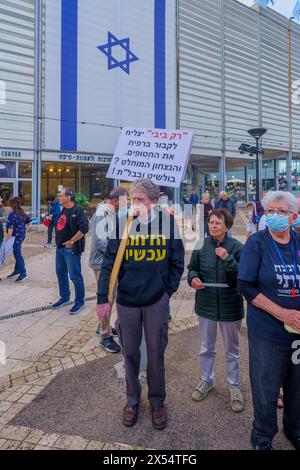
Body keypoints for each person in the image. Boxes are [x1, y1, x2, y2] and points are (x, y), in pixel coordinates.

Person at [97, 179, 184, 430]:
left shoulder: (167, 223)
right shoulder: (122, 223)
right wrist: (103, 297)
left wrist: (167, 291)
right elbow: (109, 264)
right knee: (130, 353)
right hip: (127, 301)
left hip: (156, 300)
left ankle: (157, 402)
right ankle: (132, 401)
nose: (135, 204)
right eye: (133, 199)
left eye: (141, 199)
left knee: (156, 353)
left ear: (155, 202)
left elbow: (177, 262)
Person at [238, 191, 300, 451]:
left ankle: (294, 428)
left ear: (294, 216)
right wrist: (282, 313)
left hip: (297, 336)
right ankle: (262, 435)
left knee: (296, 387)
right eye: (270, 211)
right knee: (266, 388)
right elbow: (246, 286)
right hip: (268, 333)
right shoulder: (257, 242)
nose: (274, 215)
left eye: (281, 211)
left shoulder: (298, 240)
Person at [187, 209, 245, 413]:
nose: (213, 226)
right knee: (206, 347)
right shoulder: (201, 244)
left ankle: (234, 386)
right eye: (211, 222)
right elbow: (192, 268)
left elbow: (243, 277)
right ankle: (207, 380)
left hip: (230, 306)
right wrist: (193, 279)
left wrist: (228, 259)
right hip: (206, 304)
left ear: (227, 226)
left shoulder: (237, 246)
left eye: (218, 223)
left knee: (232, 351)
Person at [89, 187, 129, 353]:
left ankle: (102, 327)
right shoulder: (102, 213)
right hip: (102, 263)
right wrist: (117, 254)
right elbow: (100, 241)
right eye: (125, 200)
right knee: (107, 298)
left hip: (108, 262)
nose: (127, 204)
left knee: (110, 297)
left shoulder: (113, 212)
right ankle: (105, 336)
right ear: (115, 200)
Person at [52, 187, 89, 315]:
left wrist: (72, 241)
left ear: (68, 197)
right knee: (60, 273)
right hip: (60, 249)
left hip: (71, 249)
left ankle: (80, 301)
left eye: (60, 196)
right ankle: (65, 298)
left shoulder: (78, 211)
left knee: (75, 276)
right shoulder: (63, 210)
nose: (59, 198)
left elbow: (84, 229)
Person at [5, 197, 31, 282]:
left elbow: (10, 227)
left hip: (14, 237)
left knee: (17, 254)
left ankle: (23, 273)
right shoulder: (22, 212)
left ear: (11, 204)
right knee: (17, 252)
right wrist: (25, 230)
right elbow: (29, 221)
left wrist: (7, 239)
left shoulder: (12, 214)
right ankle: (17, 270)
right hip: (21, 236)